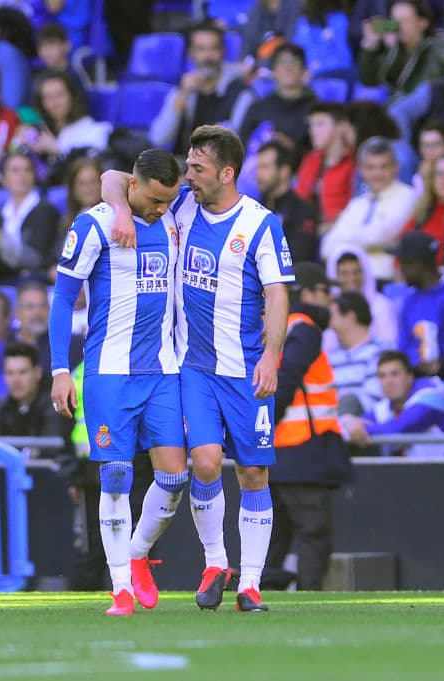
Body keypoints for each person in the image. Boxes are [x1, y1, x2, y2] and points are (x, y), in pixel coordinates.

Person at [102, 126, 295, 612]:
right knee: (205, 462)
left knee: (253, 472)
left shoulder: (260, 224)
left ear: (226, 174)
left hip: (246, 369)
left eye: (198, 167)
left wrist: (271, 357)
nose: (188, 174)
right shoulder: (183, 205)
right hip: (194, 367)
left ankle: (251, 584)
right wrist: (122, 210)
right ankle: (216, 563)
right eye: (188, 164)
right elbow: (113, 178)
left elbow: (277, 294)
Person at [51, 148, 188, 616]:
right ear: (134, 186)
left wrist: (132, 206)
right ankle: (121, 587)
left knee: (174, 478)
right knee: (114, 476)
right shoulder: (93, 226)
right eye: (154, 200)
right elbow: (62, 300)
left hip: (162, 371)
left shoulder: (172, 216)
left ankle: (137, 552)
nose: (161, 209)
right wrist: (59, 370)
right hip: (109, 372)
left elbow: (112, 175)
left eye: (168, 201)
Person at [265, 262, 349, 591]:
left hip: (279, 450)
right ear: (308, 293)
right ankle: (308, 596)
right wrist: (268, 420)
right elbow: (285, 379)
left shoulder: (280, 325)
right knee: (313, 535)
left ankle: (257, 596)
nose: (330, 299)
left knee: (275, 538)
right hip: (303, 451)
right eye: (325, 291)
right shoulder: (305, 327)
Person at [320, 136, 417, 285]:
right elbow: (327, 247)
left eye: (384, 167)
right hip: (350, 284)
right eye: (370, 168)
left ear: (396, 167)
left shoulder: (409, 197)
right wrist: (368, 246)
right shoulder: (357, 204)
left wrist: (346, 241)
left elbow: (376, 236)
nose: (377, 174)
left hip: (384, 281)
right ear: (361, 170)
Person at [150, 22, 255, 155]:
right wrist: (182, 96)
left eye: (214, 48)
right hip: (186, 162)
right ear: (190, 53)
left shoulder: (241, 93)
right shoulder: (184, 89)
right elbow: (159, 138)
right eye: (201, 49)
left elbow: (236, 147)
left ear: (223, 52)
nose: (207, 56)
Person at [342, 350, 444, 457]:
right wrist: (348, 421)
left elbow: (399, 430)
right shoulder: (385, 406)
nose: (388, 382)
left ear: (410, 377)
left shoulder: (431, 395)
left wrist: (359, 427)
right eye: (382, 376)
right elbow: (353, 425)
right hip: (424, 475)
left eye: (394, 374)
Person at [0, 153, 61, 284]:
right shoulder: (1, 212)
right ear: (3, 179)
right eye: (15, 170)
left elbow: (35, 260)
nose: (22, 175)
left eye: (27, 170)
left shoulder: (46, 211)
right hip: (2, 278)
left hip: (34, 280)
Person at [394, 230, 444, 377]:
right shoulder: (409, 300)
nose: (401, 270)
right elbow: (403, 347)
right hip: (413, 377)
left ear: (418, 266)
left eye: (403, 264)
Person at [238, 43, 317, 158]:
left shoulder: (315, 109)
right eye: (282, 62)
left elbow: (320, 152)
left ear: (304, 70)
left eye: (294, 62)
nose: (288, 68)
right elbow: (241, 148)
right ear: (273, 71)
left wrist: (292, 148)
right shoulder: (258, 108)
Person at [357, 0, 444, 98]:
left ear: (422, 23)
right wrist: (371, 44)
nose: (398, 27)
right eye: (394, 22)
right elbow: (369, 80)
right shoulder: (397, 47)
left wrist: (394, 50)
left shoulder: (434, 49)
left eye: (405, 21)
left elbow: (410, 88)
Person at [0, 343, 65, 460]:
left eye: (22, 372)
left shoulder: (55, 405)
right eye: (10, 373)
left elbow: (50, 451)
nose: (16, 380)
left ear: (37, 373)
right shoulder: (2, 408)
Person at [255, 141, 320, 265]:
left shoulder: (303, 211)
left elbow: (299, 258)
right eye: (258, 167)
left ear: (284, 171)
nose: (258, 174)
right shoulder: (253, 208)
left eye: (265, 167)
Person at [325, 290, 385, 415]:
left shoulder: (380, 351)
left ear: (350, 316)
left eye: (331, 314)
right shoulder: (331, 357)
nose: (328, 320)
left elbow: (376, 399)